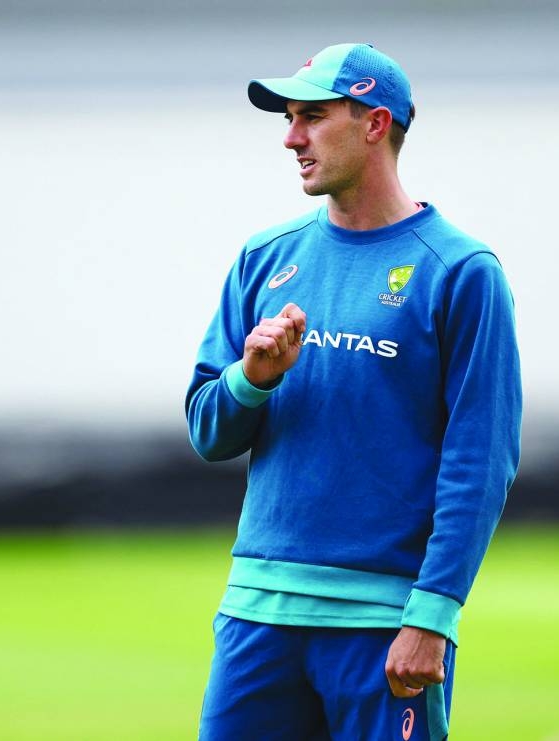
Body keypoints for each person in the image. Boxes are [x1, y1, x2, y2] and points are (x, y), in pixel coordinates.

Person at [185, 43, 522, 740]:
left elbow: (480, 461)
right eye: (288, 118)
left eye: (311, 115)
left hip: (384, 625)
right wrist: (252, 380)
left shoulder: (462, 271)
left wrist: (433, 613)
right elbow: (207, 431)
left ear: (374, 124)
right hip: (257, 616)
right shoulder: (265, 256)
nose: (290, 137)